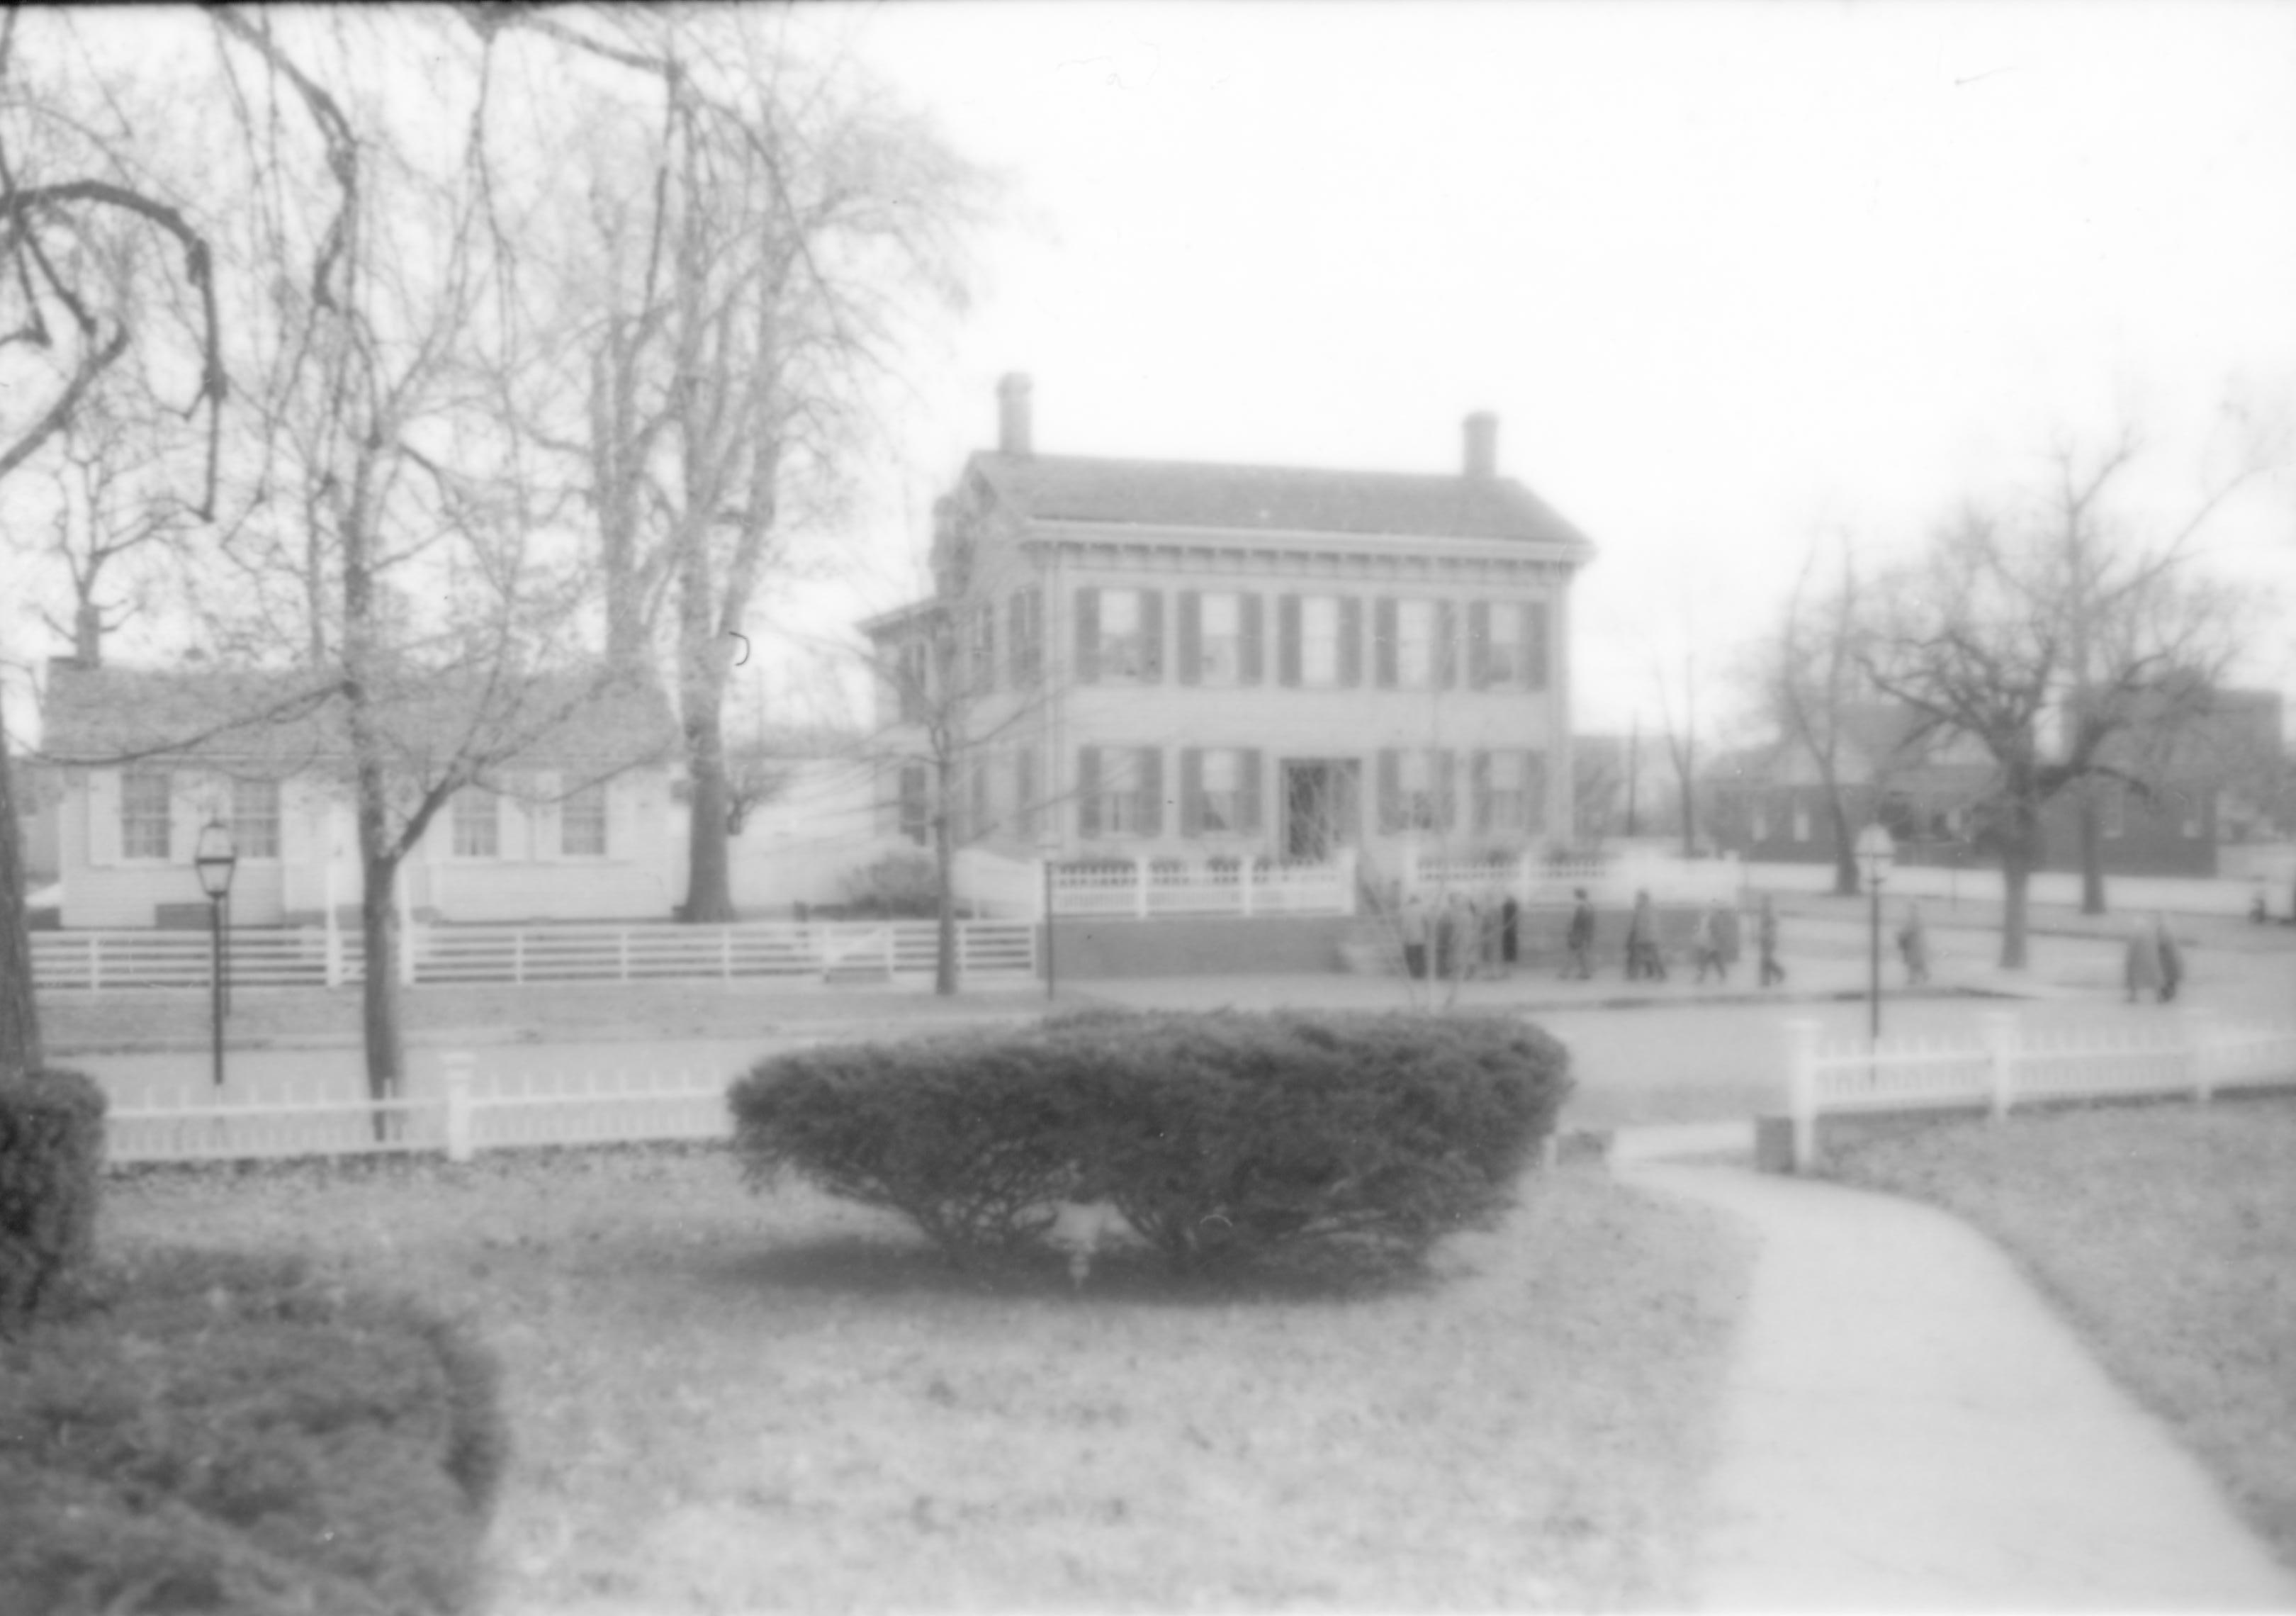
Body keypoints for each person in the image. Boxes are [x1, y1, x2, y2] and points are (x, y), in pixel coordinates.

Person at [1626, 890, 1666, 982]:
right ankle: (1659, 974)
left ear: (1643, 898)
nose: (1638, 899)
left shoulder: (1644, 908)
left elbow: (1640, 924)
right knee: (1653, 957)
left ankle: (1634, 975)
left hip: (1645, 937)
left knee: (1641, 957)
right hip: (1649, 937)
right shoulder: (1649, 907)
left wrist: (1638, 937)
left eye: (1639, 898)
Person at [2124, 915, 2163, 1004]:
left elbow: (2131, 951)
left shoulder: (2135, 935)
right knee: (2154, 977)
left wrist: (2129, 961)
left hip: (2139, 961)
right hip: (2150, 961)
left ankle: (2133, 996)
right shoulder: (2149, 935)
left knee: (2133, 976)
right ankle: (2159, 996)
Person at [1564, 889, 1597, 980]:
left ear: (1578, 897)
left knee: (1573, 953)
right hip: (1584, 934)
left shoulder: (1581, 907)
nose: (1574, 899)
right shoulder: (1589, 906)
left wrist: (1571, 931)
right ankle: (1585, 973)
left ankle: (1565, 973)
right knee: (1581, 954)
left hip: (1579, 934)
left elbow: (1577, 922)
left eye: (1576, 897)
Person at [1692, 899, 1727, 984]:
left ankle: (1701, 977)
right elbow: (1702, 929)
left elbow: (1715, 930)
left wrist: (1714, 939)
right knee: (1713, 960)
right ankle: (1721, 975)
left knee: (1706, 961)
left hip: (1710, 943)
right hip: (1708, 943)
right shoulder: (1707, 917)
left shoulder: (1713, 917)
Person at [1897, 902, 1930, 986]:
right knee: (1918, 962)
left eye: (1912, 910)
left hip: (1915, 945)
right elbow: (1907, 929)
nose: (1911, 911)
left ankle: (1914, 979)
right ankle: (1923, 975)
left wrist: (1901, 934)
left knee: (1914, 963)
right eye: (1910, 910)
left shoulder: (1915, 920)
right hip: (1914, 945)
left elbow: (1909, 930)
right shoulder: (1914, 919)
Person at [1399, 891, 1429, 980]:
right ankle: (1420, 973)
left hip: (1408, 938)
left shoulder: (1405, 910)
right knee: (1420, 956)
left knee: (1409, 957)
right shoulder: (1422, 909)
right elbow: (1426, 922)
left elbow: (1401, 923)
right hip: (1420, 937)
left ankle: (1411, 973)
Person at [1757, 894, 1786, 987]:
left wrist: (1770, 937)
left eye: (1766, 902)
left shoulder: (1771, 913)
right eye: (1763, 902)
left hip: (1769, 939)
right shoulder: (1764, 912)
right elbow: (1762, 927)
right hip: (1764, 939)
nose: (1764, 904)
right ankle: (1765, 982)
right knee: (1765, 960)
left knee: (1766, 960)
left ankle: (1779, 973)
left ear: (1769, 902)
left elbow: (1774, 925)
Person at [2154, 912, 2183, 1004]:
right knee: (2169, 979)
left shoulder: (2164, 933)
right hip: (2168, 962)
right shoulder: (2168, 933)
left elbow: (2161, 945)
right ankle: (2168, 995)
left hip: (2166, 963)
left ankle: (2166, 996)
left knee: (2166, 979)